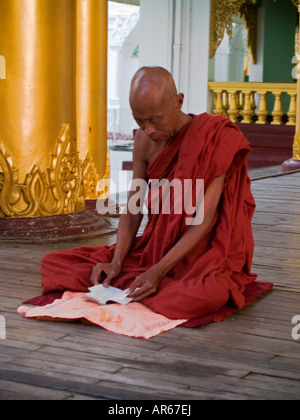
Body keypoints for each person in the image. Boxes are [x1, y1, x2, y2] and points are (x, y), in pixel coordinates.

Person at [40, 66, 272, 321]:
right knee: (55, 262)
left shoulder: (215, 137)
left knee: (201, 297)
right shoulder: (143, 141)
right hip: (155, 248)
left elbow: (203, 221)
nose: (148, 129)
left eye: (155, 119)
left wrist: (158, 272)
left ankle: (153, 284)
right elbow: (135, 205)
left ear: (178, 101)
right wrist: (116, 263)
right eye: (140, 120)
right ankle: (143, 284)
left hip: (202, 255)